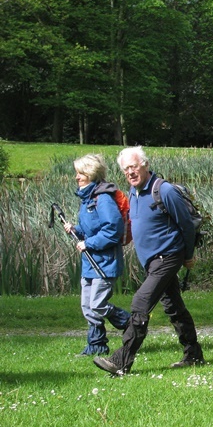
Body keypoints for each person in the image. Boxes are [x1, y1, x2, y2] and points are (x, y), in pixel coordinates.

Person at [93, 146, 204, 376]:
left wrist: (189, 255)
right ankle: (193, 354)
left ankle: (121, 360)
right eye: (125, 170)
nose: (130, 173)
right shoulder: (133, 192)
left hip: (168, 256)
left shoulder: (164, 191)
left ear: (144, 164)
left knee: (141, 302)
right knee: (174, 307)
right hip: (152, 262)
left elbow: (186, 225)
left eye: (133, 167)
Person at [64, 154, 130, 356]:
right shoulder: (87, 199)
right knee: (87, 307)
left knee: (97, 305)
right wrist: (76, 230)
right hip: (90, 263)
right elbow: (91, 229)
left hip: (105, 262)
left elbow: (113, 230)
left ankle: (131, 323)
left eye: (80, 173)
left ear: (91, 174)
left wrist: (88, 243)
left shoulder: (103, 199)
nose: (77, 177)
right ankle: (96, 346)